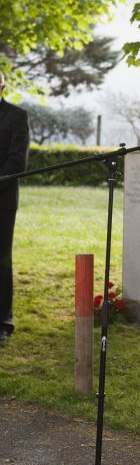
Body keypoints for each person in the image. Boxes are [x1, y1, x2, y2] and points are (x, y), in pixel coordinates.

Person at [0, 71, 29, 342]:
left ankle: (3, 321)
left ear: (2, 86)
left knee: (1, 260)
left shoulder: (17, 116)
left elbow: (17, 161)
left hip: (3, 199)